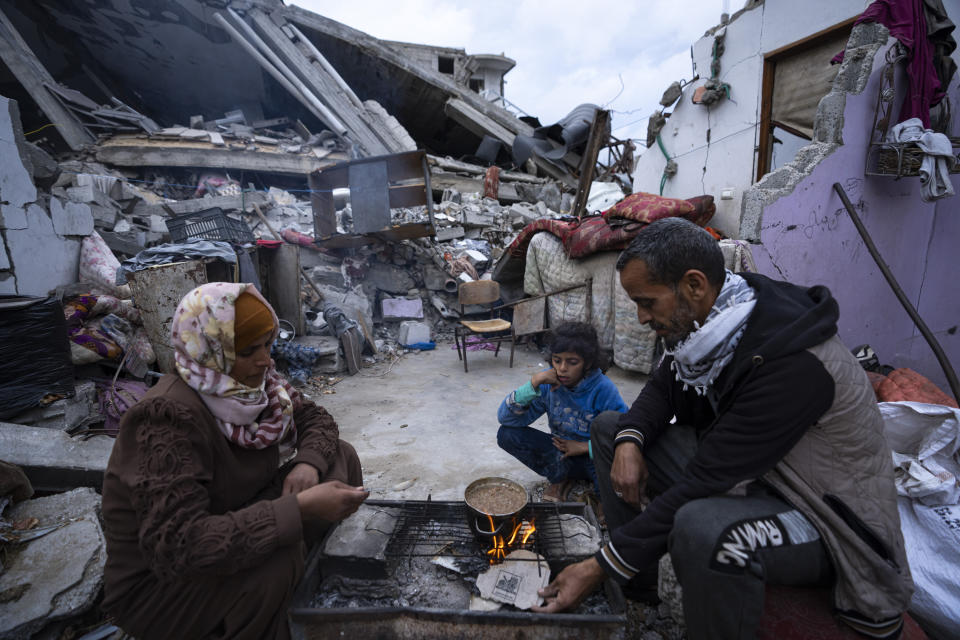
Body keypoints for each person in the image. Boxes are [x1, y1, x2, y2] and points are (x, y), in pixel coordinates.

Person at [533, 218, 913, 640]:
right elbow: (664, 385)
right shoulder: (713, 322)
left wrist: (598, 564)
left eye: (646, 302)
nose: (641, 318)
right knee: (609, 430)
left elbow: (705, 480)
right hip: (757, 474)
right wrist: (628, 441)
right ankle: (637, 582)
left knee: (702, 527)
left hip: (821, 517)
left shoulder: (793, 364)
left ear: (694, 285)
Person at [100, 282, 368, 640]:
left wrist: (308, 464)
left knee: (339, 455)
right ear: (211, 349)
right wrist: (298, 510)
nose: (266, 360)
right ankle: (266, 615)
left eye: (268, 345)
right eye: (248, 350)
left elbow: (316, 420)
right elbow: (181, 545)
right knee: (277, 559)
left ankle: (299, 586)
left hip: (236, 515)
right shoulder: (166, 418)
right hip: (164, 585)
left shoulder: (256, 386)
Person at [497, 322, 628, 502]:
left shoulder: (603, 389)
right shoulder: (549, 383)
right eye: (557, 360)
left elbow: (625, 436)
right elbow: (506, 419)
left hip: (597, 458)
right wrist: (533, 384)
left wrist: (584, 447)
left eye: (572, 362)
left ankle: (595, 494)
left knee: (612, 501)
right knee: (507, 435)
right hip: (562, 454)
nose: (562, 368)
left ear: (587, 363)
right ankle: (561, 478)